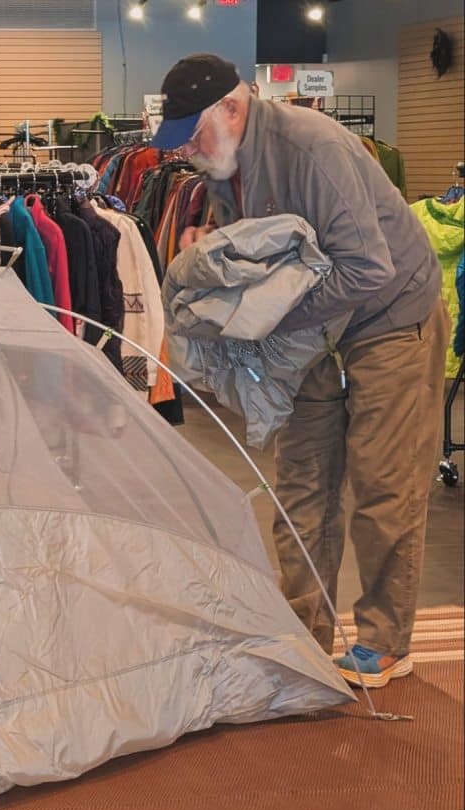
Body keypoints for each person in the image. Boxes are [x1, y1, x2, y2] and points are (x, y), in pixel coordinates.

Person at [152, 55, 447, 687]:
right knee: (301, 486)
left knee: (384, 483)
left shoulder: (314, 147)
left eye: (193, 135)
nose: (187, 153)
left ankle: (385, 641)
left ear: (232, 109)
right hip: (312, 332)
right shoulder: (223, 167)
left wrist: (268, 318)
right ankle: (302, 632)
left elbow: (369, 269)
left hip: (390, 318)